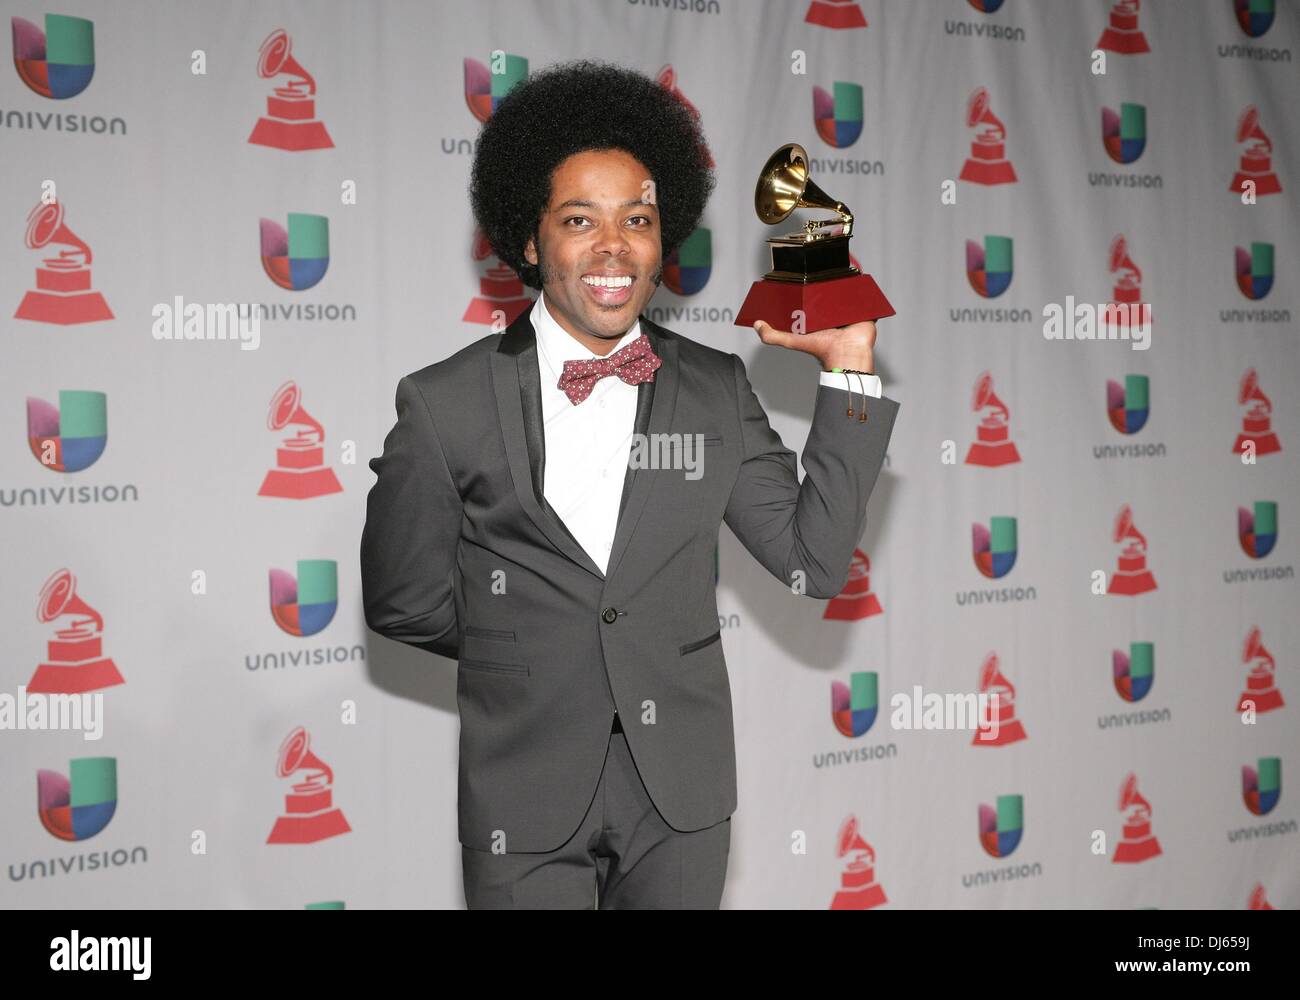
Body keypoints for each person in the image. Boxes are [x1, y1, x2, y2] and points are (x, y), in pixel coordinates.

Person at [360, 60, 899, 909]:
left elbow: (814, 562)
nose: (613, 246)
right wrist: (524, 649)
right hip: (522, 794)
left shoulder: (716, 390)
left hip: (679, 798)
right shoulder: (444, 403)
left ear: (663, 239)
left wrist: (850, 368)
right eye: (581, 219)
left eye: (637, 219)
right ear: (531, 242)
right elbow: (402, 600)